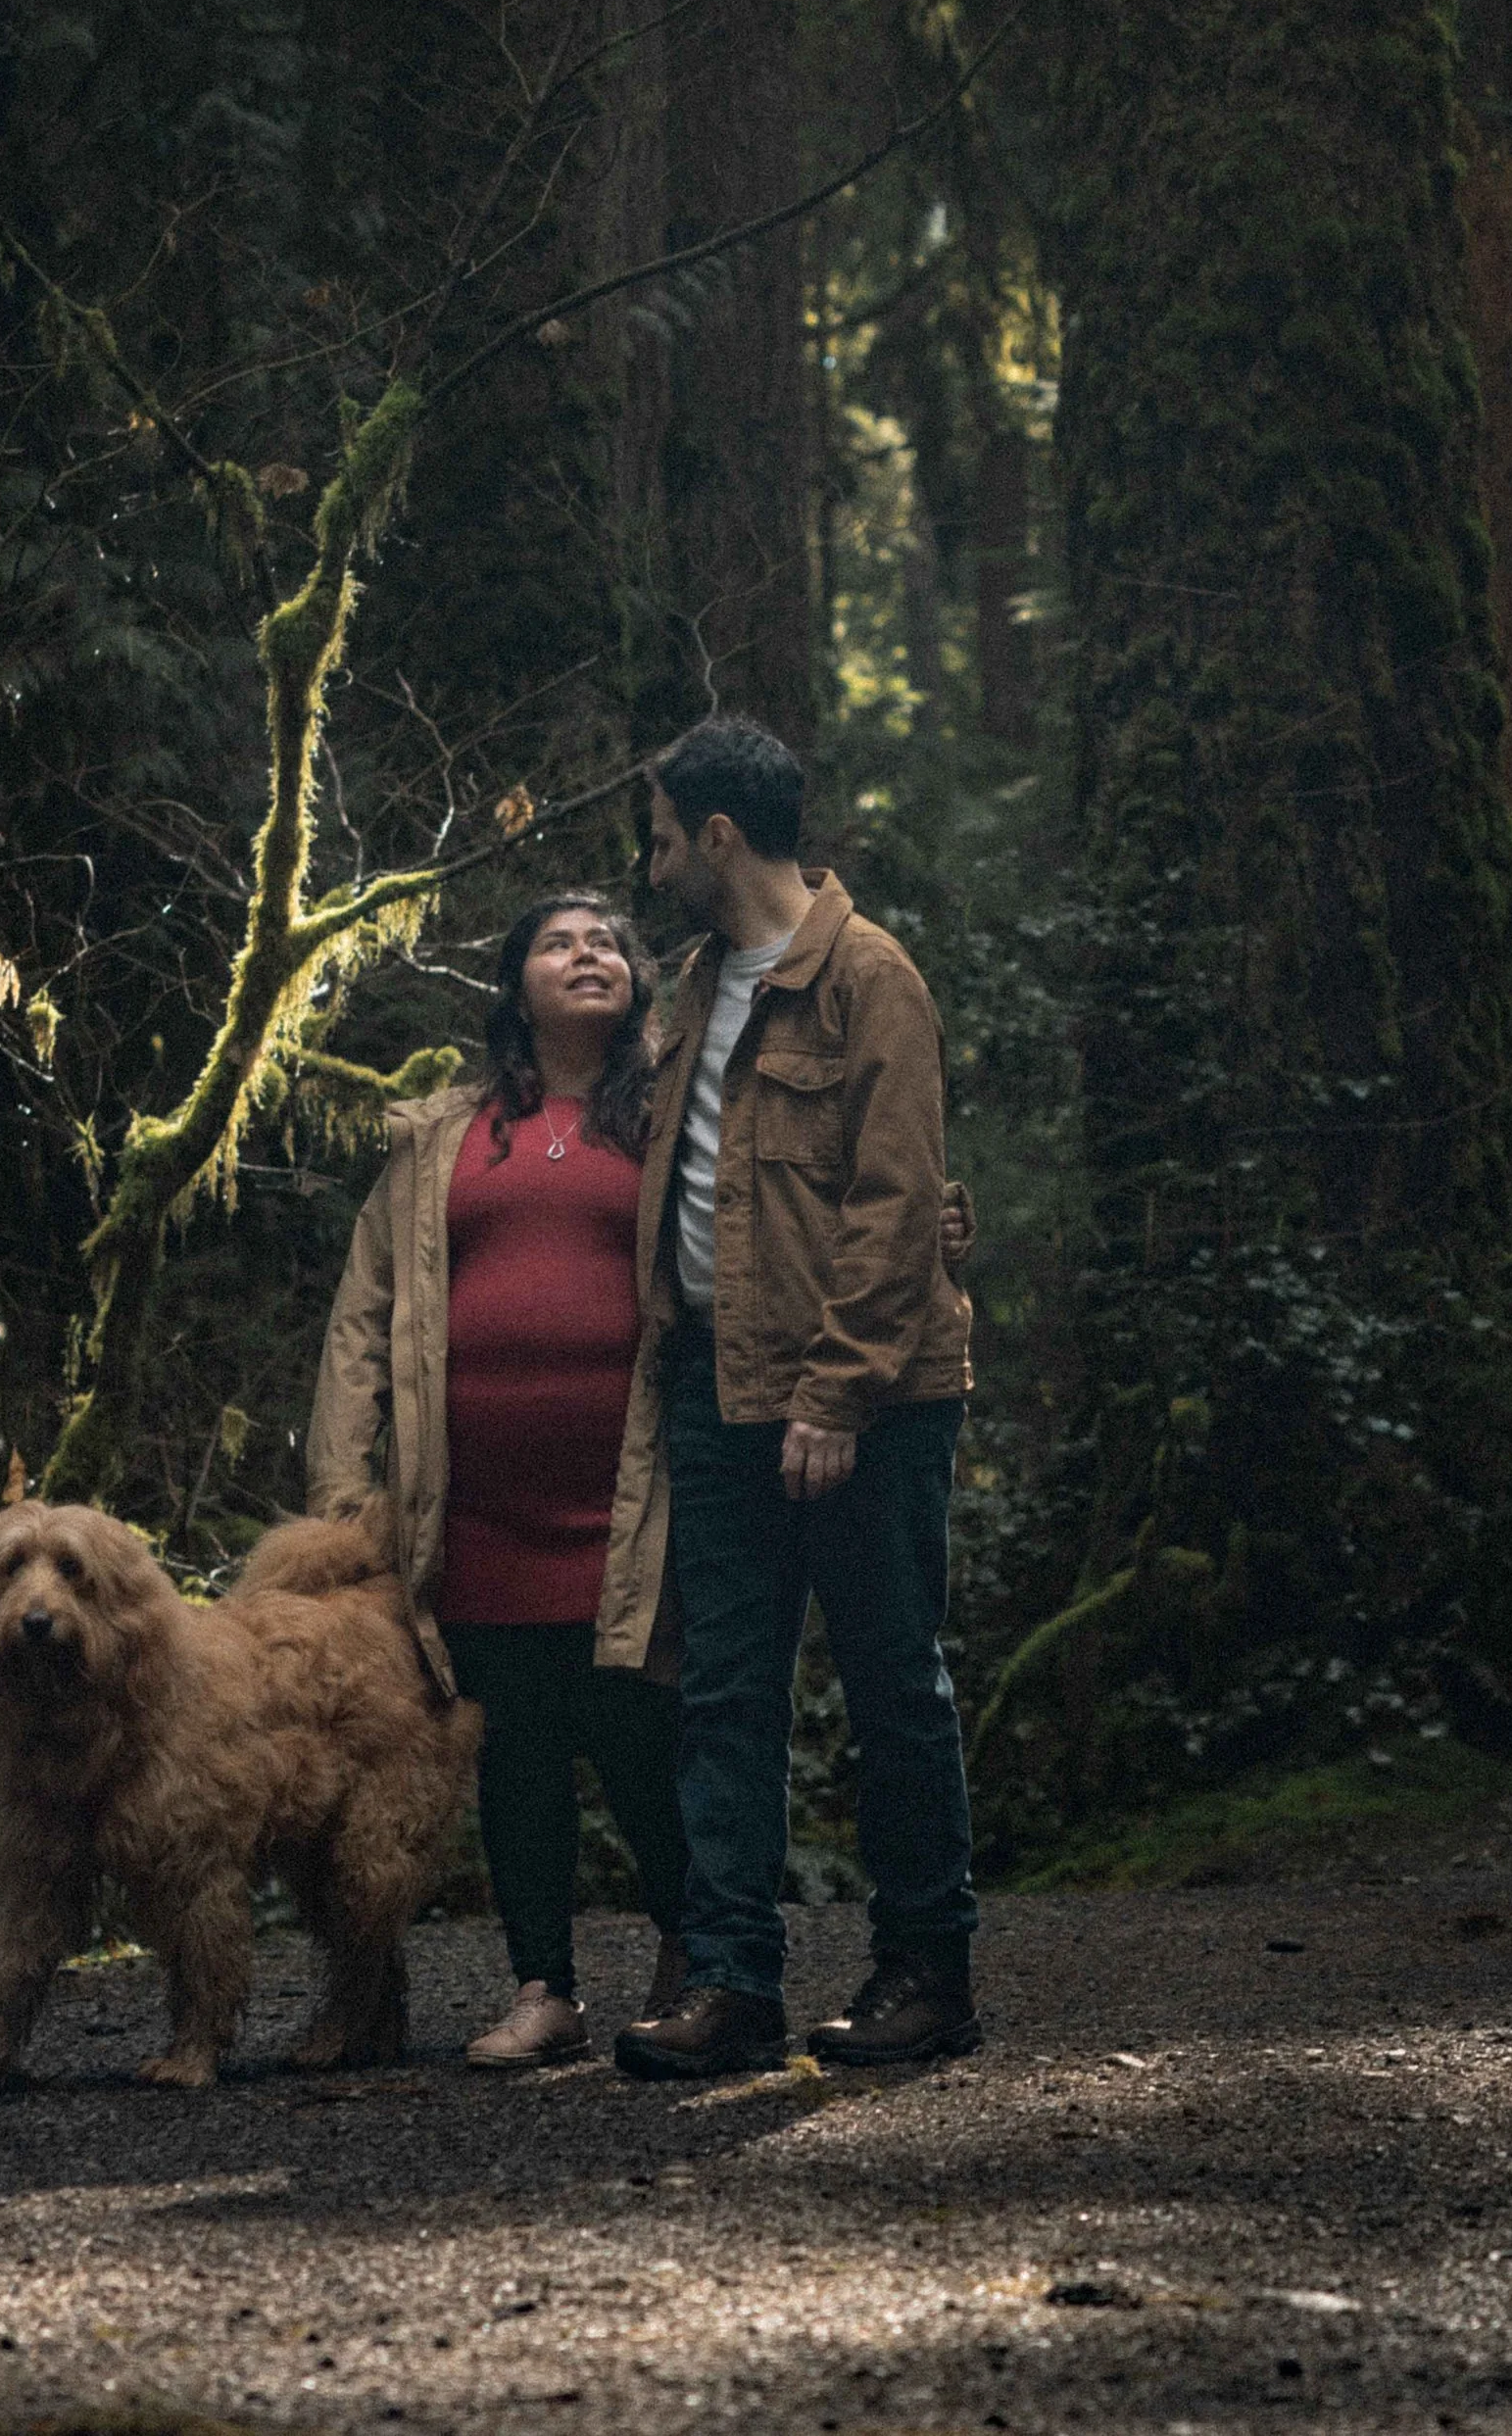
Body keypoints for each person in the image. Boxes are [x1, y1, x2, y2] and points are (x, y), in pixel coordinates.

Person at [607, 714, 981, 2080]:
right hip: (717, 1384)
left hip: (867, 1401)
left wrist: (835, 1391)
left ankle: (926, 1972)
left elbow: (894, 1203)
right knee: (725, 1695)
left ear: (718, 835)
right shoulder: (696, 983)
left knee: (892, 1683)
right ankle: (730, 1983)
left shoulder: (869, 977)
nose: (650, 867)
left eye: (661, 839)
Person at [306, 892, 690, 2068]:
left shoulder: (676, 1116)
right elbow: (361, 1315)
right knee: (515, 1750)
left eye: (607, 940)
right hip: (472, 1511)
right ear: (516, 982)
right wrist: (340, 1492)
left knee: (641, 1738)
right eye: (559, 942)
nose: (588, 954)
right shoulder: (442, 1134)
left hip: (635, 1503)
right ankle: (543, 1989)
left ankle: (696, 1956)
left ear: (637, 978)